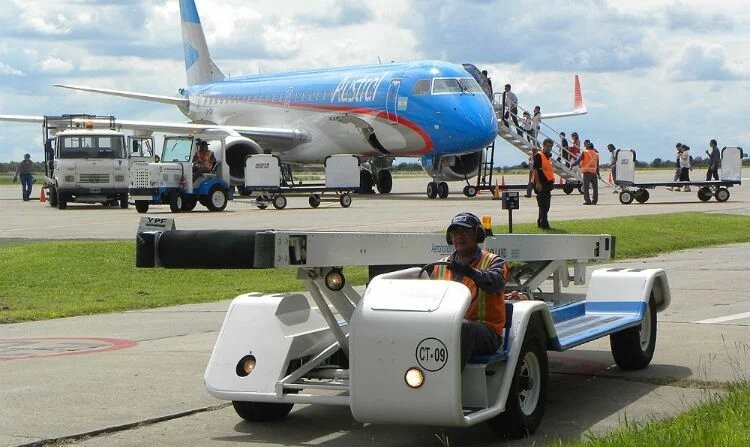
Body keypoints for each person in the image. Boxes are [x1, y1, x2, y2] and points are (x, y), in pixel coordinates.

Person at [431, 212, 509, 370]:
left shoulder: (494, 261)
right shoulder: (440, 265)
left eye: (465, 232)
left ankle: (447, 383)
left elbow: (496, 282)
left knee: (462, 327)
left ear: (478, 235)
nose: (459, 237)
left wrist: (471, 272)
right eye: (455, 233)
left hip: (487, 333)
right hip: (447, 328)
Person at [533, 138, 555, 229]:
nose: (549, 148)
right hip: (541, 184)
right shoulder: (539, 155)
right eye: (548, 146)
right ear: (544, 146)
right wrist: (537, 183)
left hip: (547, 184)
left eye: (551, 147)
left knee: (546, 205)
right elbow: (535, 169)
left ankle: (540, 221)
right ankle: (544, 224)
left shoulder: (548, 157)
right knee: (543, 204)